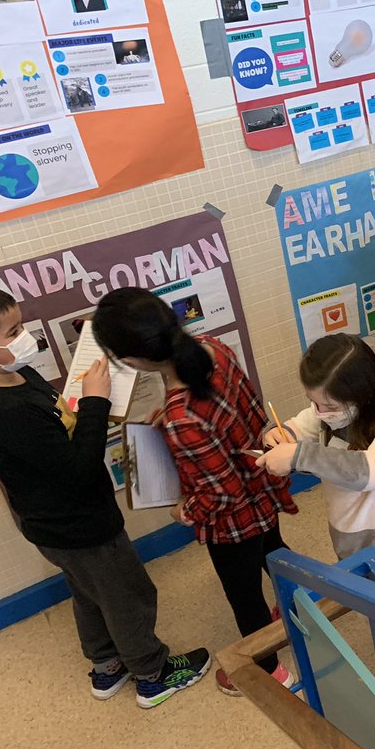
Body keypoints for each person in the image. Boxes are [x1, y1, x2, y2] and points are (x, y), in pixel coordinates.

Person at [0, 284, 209, 709]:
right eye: (12, 331)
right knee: (128, 593)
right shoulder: (3, 410)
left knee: (90, 592)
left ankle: (107, 666)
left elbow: (57, 434)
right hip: (79, 524)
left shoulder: (15, 376)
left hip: (58, 523)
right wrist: (96, 402)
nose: (26, 337)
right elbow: (79, 471)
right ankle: (152, 674)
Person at [92, 288, 298, 696]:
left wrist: (184, 511)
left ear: (131, 360)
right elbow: (239, 412)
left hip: (233, 522)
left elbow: (221, 493)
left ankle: (271, 670)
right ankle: (297, 610)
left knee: (244, 597)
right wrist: (170, 419)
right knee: (275, 554)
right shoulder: (212, 348)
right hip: (263, 484)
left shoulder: (180, 415)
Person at [256, 334, 375, 572]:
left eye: (331, 407)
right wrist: (276, 434)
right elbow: (295, 428)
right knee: (362, 596)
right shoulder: (327, 413)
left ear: (363, 391)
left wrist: (298, 455)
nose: (321, 413)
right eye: (313, 403)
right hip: (346, 531)